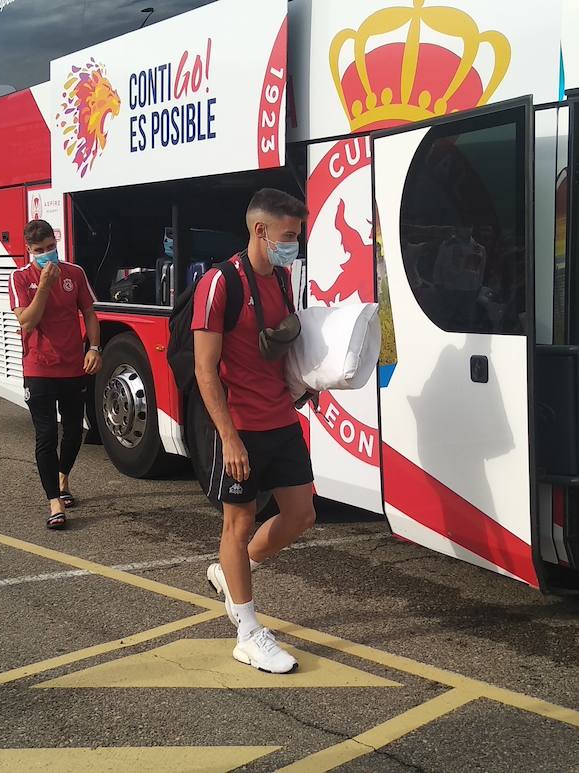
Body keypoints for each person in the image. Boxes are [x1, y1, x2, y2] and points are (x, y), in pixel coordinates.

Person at [195, 188, 315, 674]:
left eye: (298, 235)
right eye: (289, 236)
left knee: (302, 514)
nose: (294, 245)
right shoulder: (219, 283)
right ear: (260, 231)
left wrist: (308, 383)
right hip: (240, 426)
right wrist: (228, 439)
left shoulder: (283, 281)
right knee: (237, 524)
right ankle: (247, 631)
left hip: (281, 418)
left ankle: (232, 572)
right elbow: (206, 371)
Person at [9, 219, 101, 529]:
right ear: (29, 251)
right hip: (38, 367)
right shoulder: (20, 278)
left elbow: (89, 311)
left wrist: (95, 348)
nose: (47, 255)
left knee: (74, 431)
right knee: (46, 434)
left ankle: (63, 479)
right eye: (40, 251)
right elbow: (27, 322)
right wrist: (45, 286)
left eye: (51, 248)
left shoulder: (74, 273)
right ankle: (54, 502)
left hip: (73, 365)